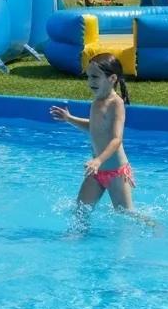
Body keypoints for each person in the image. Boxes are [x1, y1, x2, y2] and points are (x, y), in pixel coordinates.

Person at [48, 54, 136, 214]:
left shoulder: (116, 103)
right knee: (80, 211)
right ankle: (78, 231)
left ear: (112, 78)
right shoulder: (97, 101)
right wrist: (69, 119)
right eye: (88, 77)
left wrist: (98, 160)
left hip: (116, 172)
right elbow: (94, 127)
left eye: (95, 77)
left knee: (127, 215)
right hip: (97, 171)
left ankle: (152, 225)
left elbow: (116, 139)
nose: (90, 82)